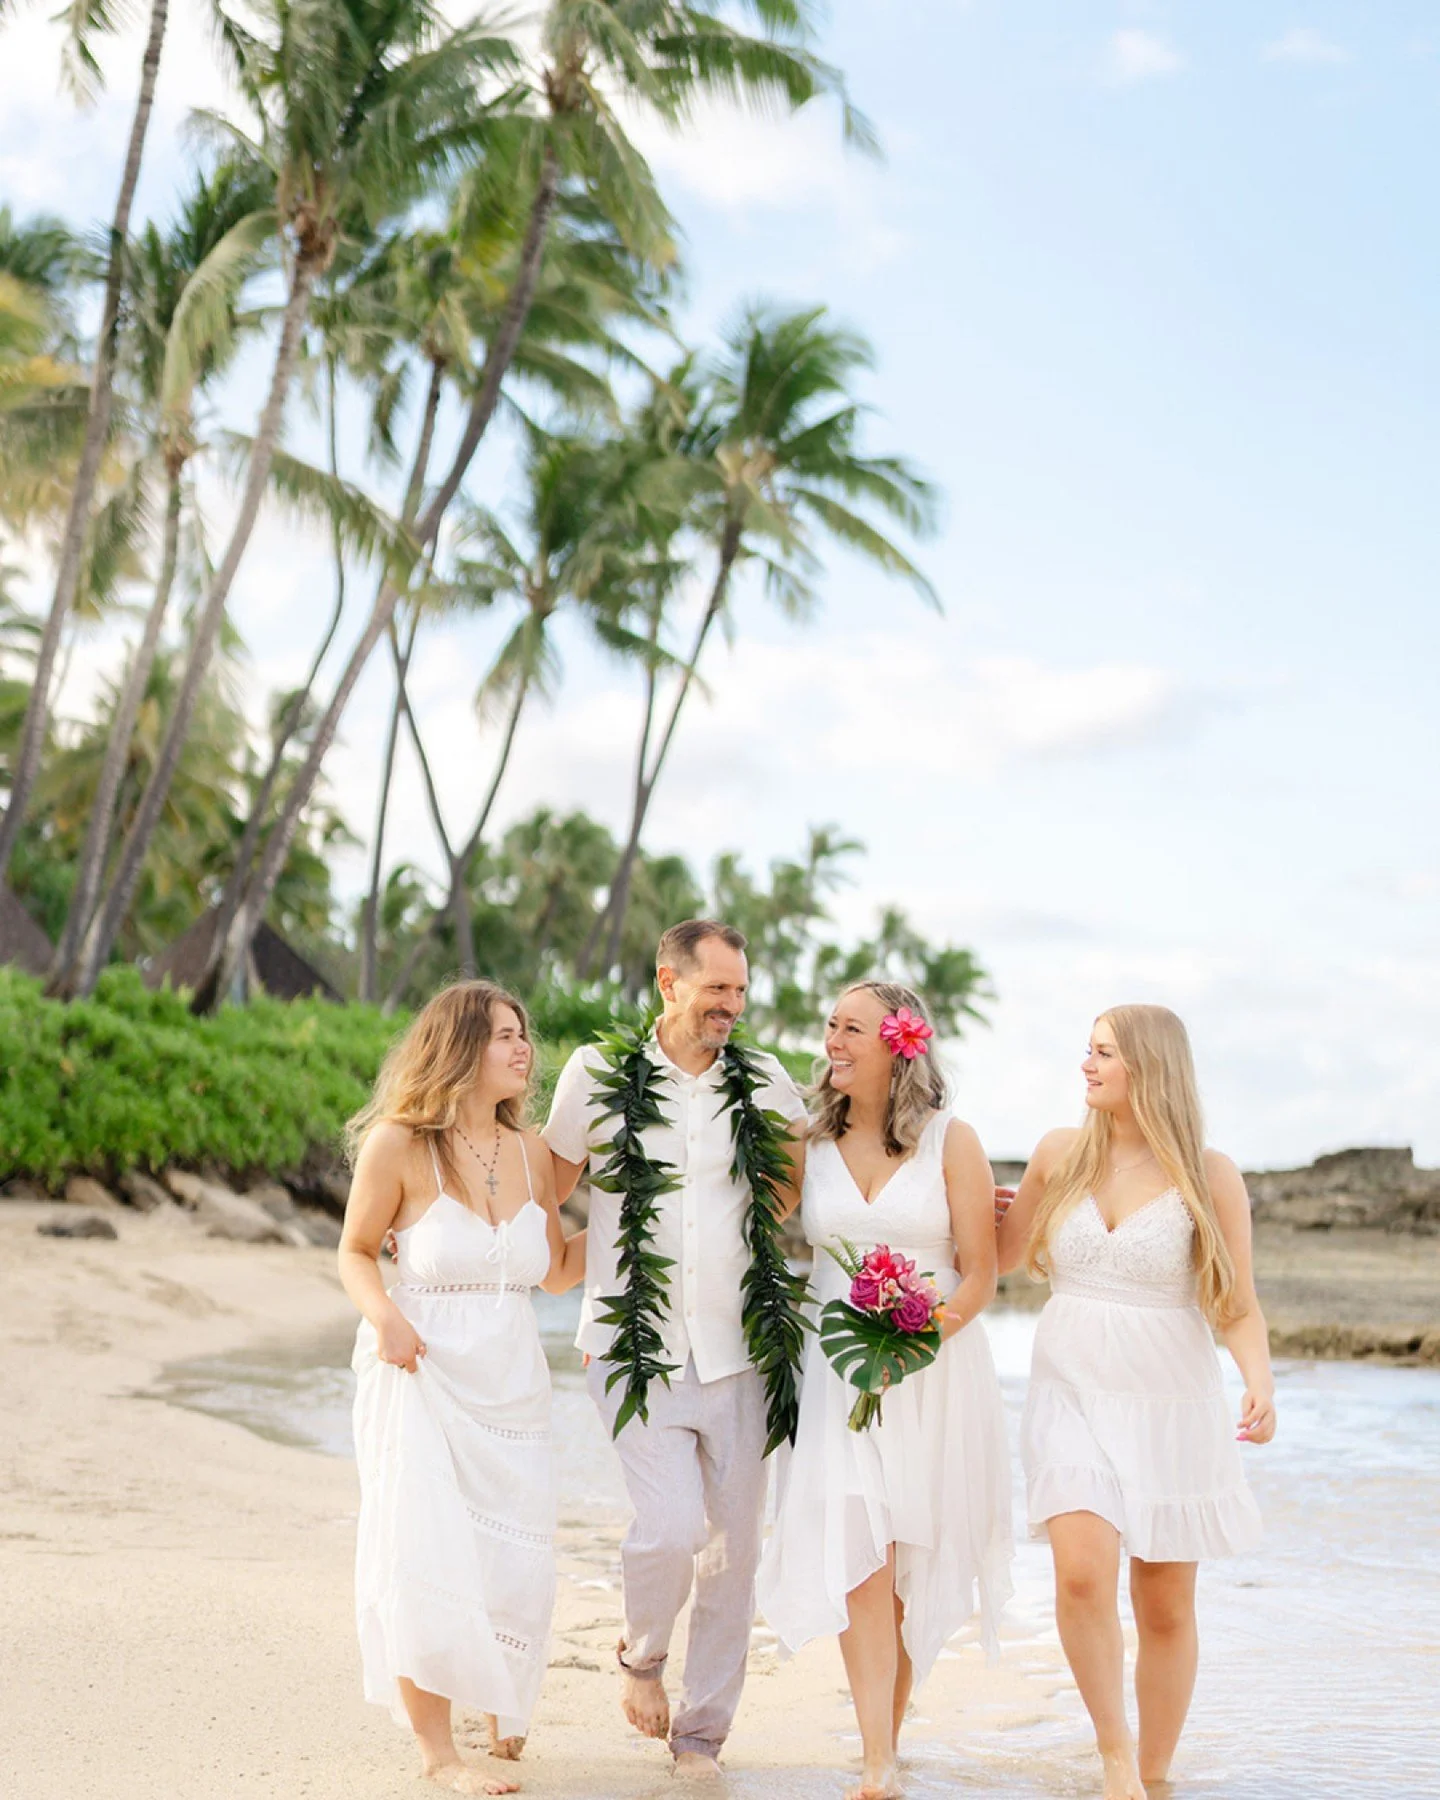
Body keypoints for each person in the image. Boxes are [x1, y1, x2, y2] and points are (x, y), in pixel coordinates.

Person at [543, 919, 809, 1780]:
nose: (732, 1005)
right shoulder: (595, 1073)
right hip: (631, 1345)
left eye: (740, 990)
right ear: (668, 982)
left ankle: (701, 1736)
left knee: (733, 1554)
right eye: (717, 989)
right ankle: (643, 1656)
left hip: (741, 1348)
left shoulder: (764, 1081)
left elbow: (793, 1183)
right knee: (668, 1529)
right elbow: (547, 1190)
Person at [996, 1004, 1274, 1800]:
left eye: (1104, 1054)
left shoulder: (1209, 1174)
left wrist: (1259, 1378)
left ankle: (1155, 1776)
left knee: (1163, 1602)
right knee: (1082, 1576)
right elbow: (1001, 1262)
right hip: (1070, 1388)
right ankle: (1114, 1753)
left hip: (1170, 1400)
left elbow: (1237, 1301)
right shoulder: (1059, 1154)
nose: (1086, 1066)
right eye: (1087, 1051)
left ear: (1148, 1068)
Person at [757, 980, 1014, 1800]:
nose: (833, 1040)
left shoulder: (952, 1141)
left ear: (898, 1045)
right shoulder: (807, 1140)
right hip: (839, 1372)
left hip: (931, 1372)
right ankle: (876, 1761)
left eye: (852, 1029)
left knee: (906, 1567)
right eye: (830, 1026)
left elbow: (982, 1275)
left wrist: (924, 1333)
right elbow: (752, 1223)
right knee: (861, 1560)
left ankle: (886, 1745)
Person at [339, 979, 585, 1796]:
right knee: (426, 1551)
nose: (524, 1049)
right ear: (458, 1048)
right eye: (504, 1036)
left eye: (524, 1035)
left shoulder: (531, 1155)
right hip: (420, 1371)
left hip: (513, 1384)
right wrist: (384, 1320)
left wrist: (640, 1236)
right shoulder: (398, 1144)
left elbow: (552, 1274)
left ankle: (499, 1695)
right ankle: (438, 1753)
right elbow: (355, 1250)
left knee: (512, 1555)